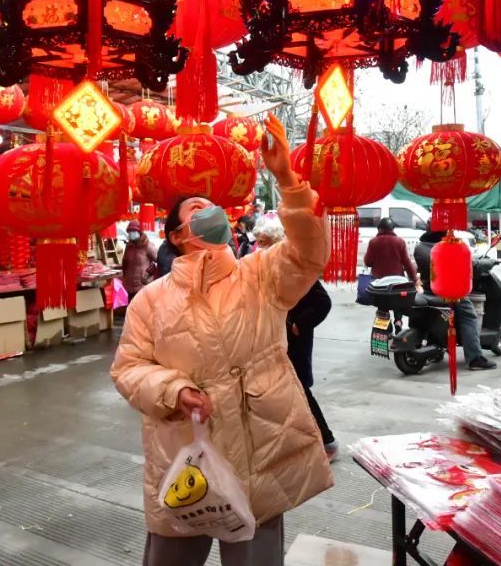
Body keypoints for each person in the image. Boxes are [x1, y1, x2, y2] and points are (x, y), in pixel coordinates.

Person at [111, 116, 333, 566]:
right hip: (184, 454)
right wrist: (173, 390)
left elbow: (309, 252)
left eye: (213, 207)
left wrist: (287, 179)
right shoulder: (151, 299)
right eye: (196, 207)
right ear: (177, 235)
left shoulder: (260, 274)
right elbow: (128, 369)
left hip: (260, 452)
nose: (209, 211)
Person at [254, 217, 338, 459]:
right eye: (258, 242)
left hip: (294, 343)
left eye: (263, 242)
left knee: (300, 390)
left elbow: (323, 302)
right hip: (274, 340)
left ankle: (327, 441)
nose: (259, 247)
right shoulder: (263, 267)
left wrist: (298, 325)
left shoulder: (294, 268)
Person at [414, 229, 497, 371]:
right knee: (469, 315)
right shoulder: (445, 248)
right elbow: (474, 266)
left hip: (427, 290)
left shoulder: (419, 247)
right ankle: (475, 358)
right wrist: (490, 262)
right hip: (447, 291)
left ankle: (438, 348)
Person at [364, 217, 422, 324]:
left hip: (380, 284)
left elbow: (368, 262)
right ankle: (398, 321)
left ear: (379, 229)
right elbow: (407, 263)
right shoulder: (400, 242)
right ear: (393, 229)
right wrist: (414, 279)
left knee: (382, 304)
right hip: (397, 282)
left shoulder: (373, 242)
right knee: (398, 301)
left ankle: (383, 322)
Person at [122, 221, 158, 301]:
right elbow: (125, 262)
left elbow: (158, 261)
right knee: (131, 307)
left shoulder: (148, 245)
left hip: (143, 286)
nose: (130, 234)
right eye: (129, 232)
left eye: (133, 231)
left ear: (139, 232)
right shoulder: (128, 247)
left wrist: (148, 273)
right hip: (129, 286)